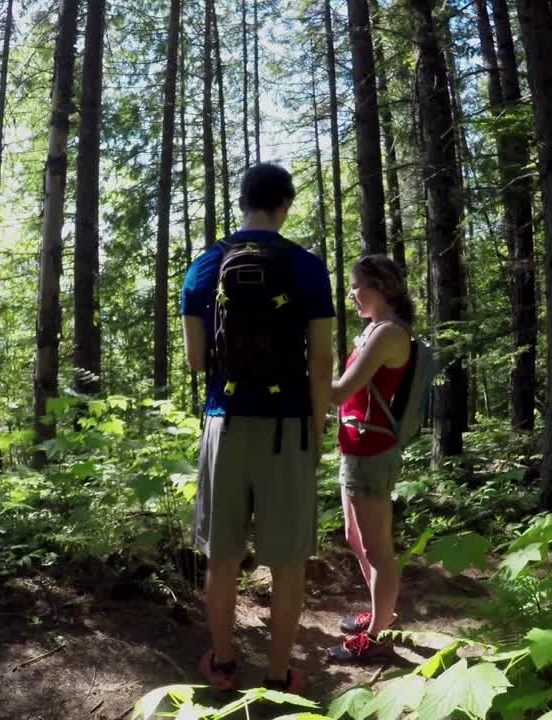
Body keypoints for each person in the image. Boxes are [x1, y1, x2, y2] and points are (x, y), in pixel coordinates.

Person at [181, 162, 335, 693]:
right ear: (285, 204)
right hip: (287, 426)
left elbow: (196, 360)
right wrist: (319, 425)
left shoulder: (205, 266)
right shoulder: (307, 267)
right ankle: (278, 675)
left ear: (242, 202)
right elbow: (321, 360)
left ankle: (224, 666)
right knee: (288, 562)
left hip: (224, 423)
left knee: (222, 557)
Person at [328, 255, 413, 662]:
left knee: (377, 548)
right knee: (355, 537)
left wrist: (300, 372)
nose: (351, 293)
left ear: (380, 288)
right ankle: (383, 613)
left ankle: (378, 637)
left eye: (356, 285)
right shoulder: (372, 330)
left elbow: (340, 393)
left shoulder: (389, 334)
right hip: (355, 446)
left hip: (371, 452)